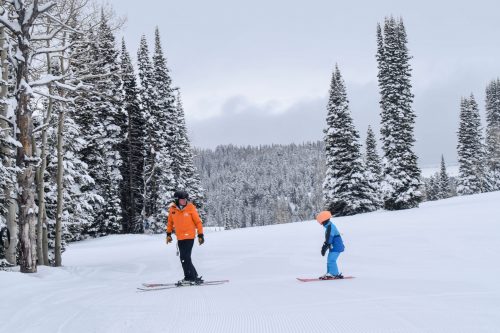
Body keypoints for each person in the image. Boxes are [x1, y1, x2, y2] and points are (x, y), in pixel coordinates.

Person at [166, 190, 205, 284]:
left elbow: (198, 222)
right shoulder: (173, 209)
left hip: (189, 236)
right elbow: (170, 223)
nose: (184, 201)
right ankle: (194, 276)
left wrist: (200, 235)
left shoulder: (190, 207)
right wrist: (168, 234)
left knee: (185, 257)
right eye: (182, 199)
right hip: (180, 237)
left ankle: (189, 277)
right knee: (184, 258)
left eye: (185, 199)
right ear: (177, 200)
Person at [316, 211, 345, 280]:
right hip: (334, 246)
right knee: (330, 260)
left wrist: (324, 246)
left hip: (336, 246)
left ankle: (333, 274)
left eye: (321, 222)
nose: (321, 224)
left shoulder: (330, 227)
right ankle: (329, 273)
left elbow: (329, 239)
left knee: (331, 260)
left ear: (323, 221)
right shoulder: (329, 226)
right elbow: (329, 239)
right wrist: (325, 246)